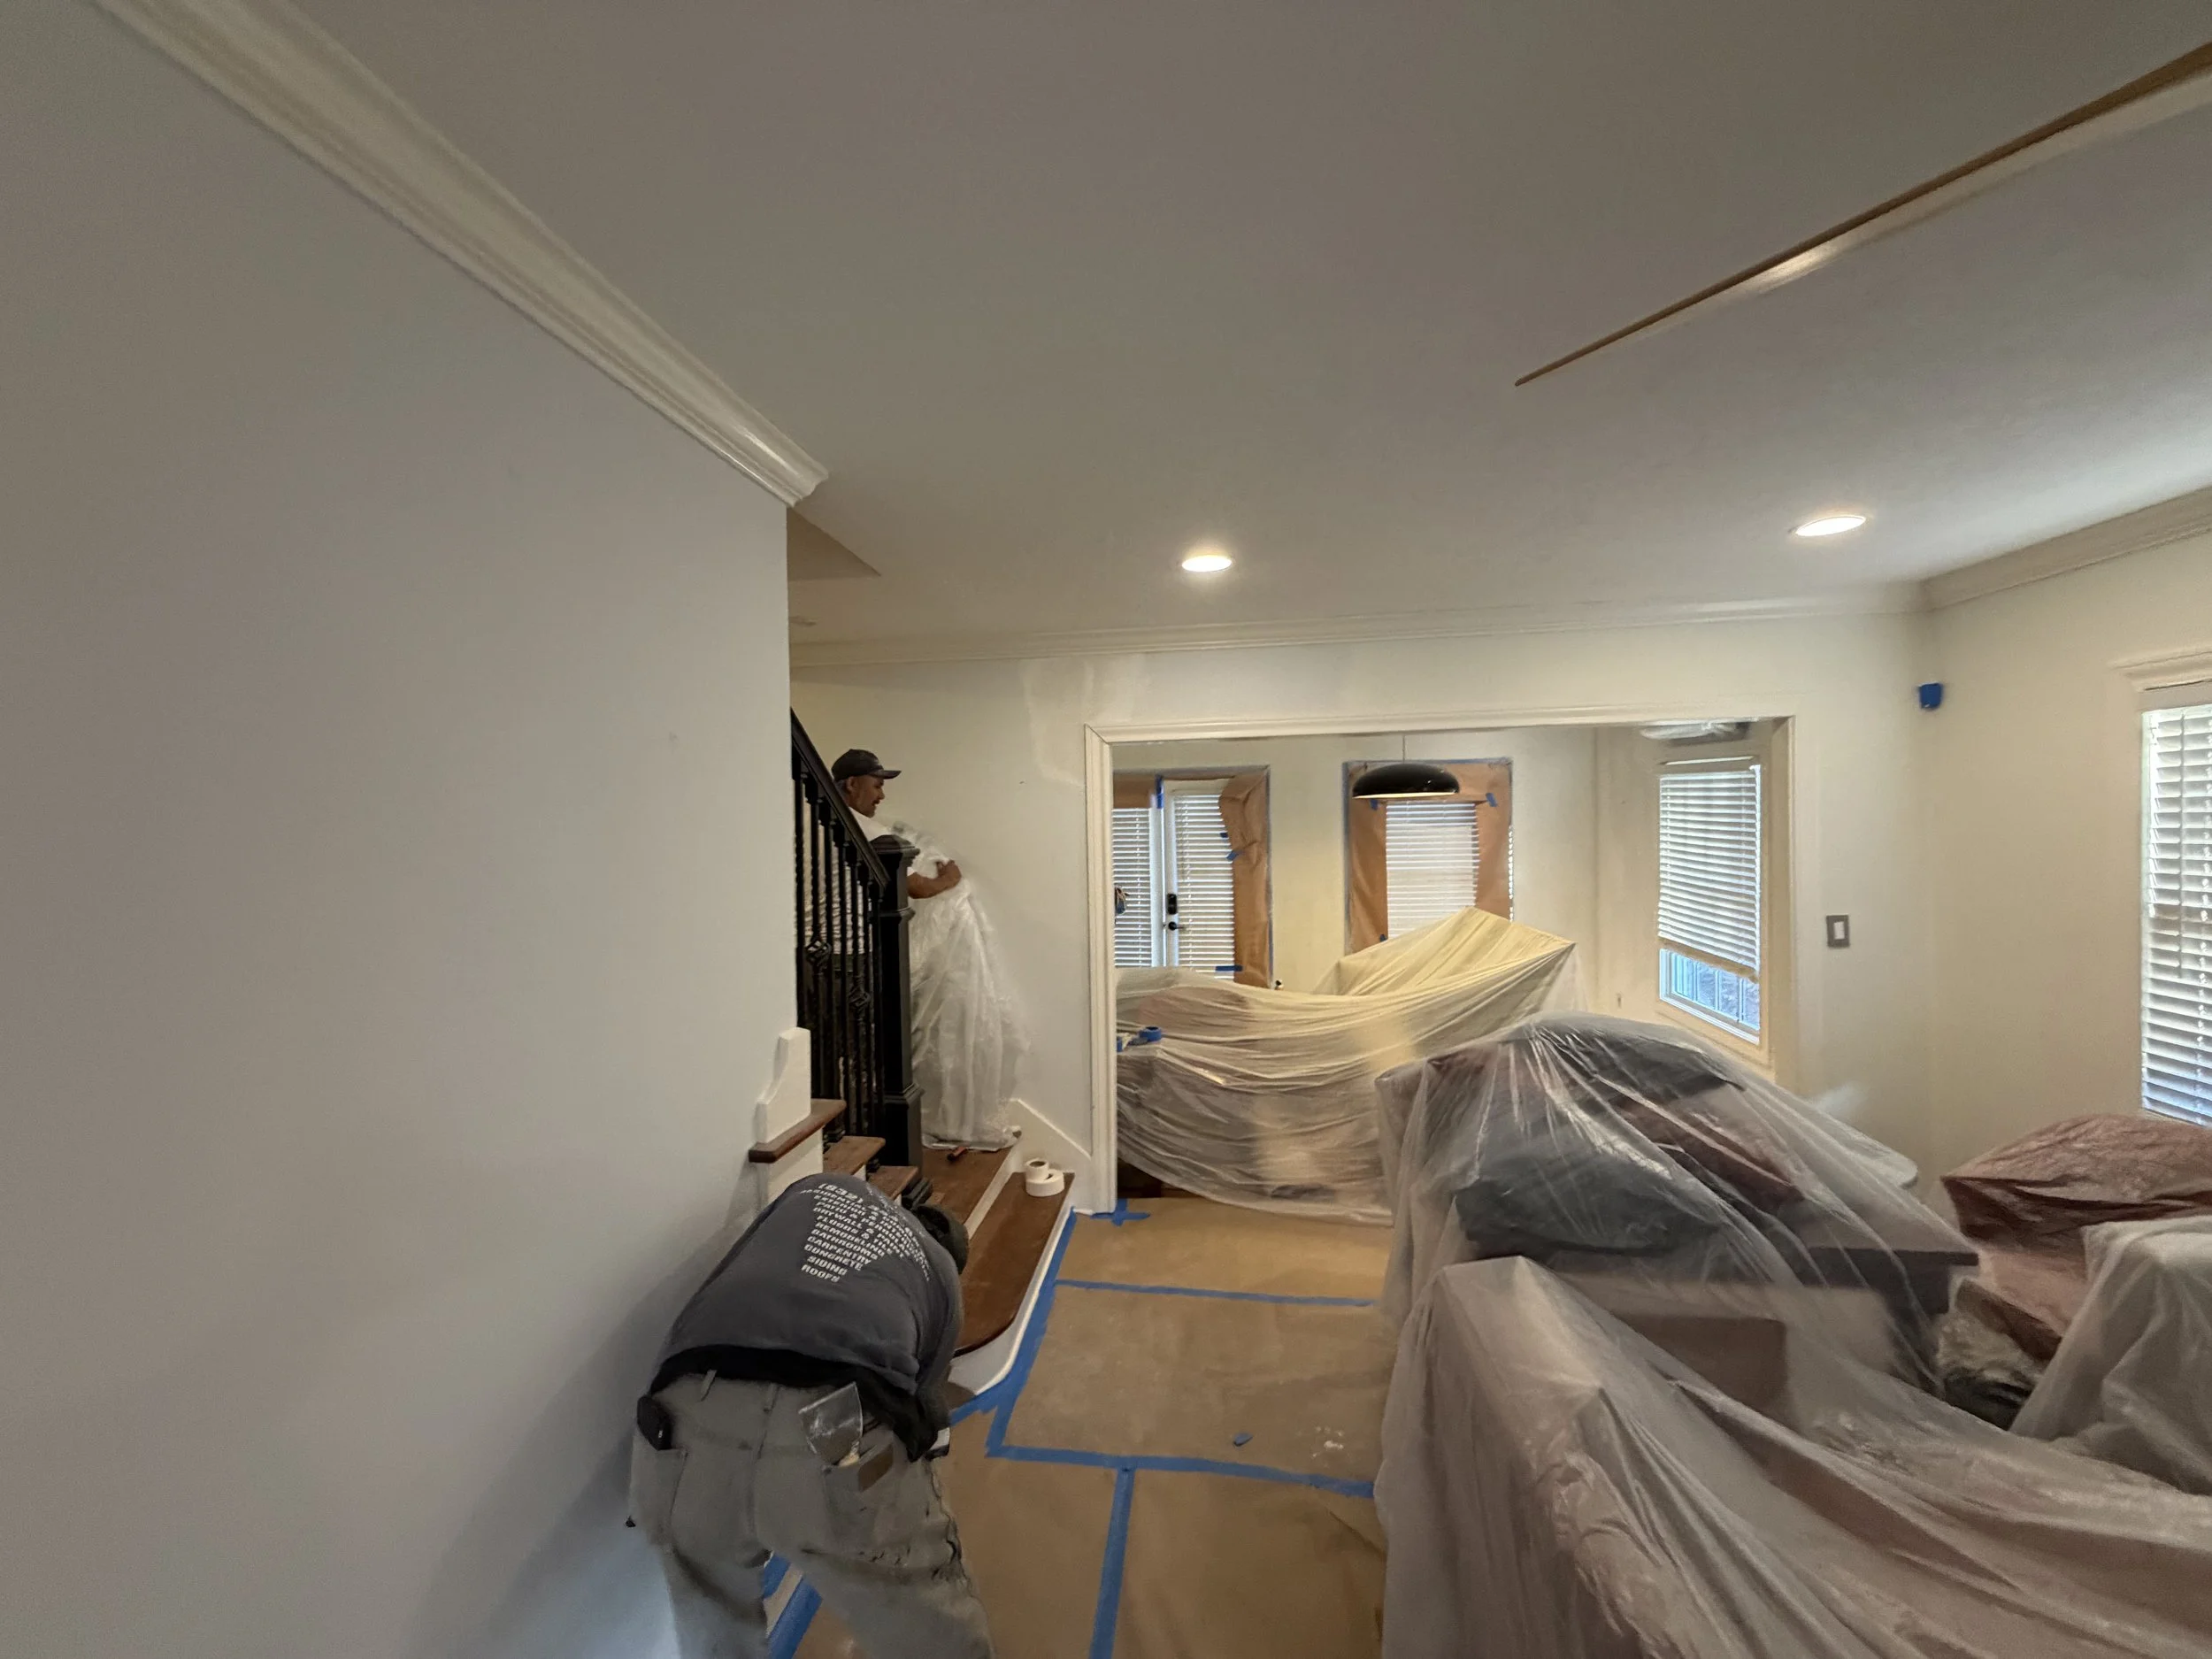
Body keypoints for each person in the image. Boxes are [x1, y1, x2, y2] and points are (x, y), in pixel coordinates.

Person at [630, 1173, 994, 1659]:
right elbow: (923, 1411)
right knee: (927, 1629)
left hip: (682, 1414)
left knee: (714, 1634)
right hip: (830, 1424)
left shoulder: (819, 1188)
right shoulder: (941, 1275)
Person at [833, 749, 1019, 1149]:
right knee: (863, 1045)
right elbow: (915, 886)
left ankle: (852, 1127)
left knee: (841, 1045)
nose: (880, 796)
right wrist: (949, 879)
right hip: (848, 955)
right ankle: (863, 1135)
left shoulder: (826, 824)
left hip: (824, 954)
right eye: (877, 785)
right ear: (852, 785)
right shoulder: (861, 829)